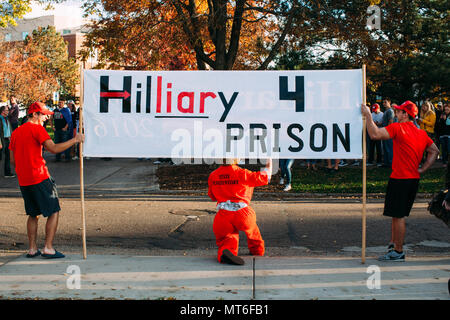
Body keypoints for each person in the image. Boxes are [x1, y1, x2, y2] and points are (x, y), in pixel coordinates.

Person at [361, 101, 439, 262]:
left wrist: (368, 115)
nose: (396, 114)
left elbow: (374, 134)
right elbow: (434, 151)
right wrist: (423, 169)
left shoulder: (398, 128)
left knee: (398, 216)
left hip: (400, 178)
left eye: (399, 112)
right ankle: (393, 244)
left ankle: (398, 251)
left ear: (406, 115)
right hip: (412, 179)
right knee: (397, 215)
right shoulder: (421, 133)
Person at [9, 101, 84, 259]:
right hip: (39, 176)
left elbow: (12, 160)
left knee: (32, 214)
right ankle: (48, 248)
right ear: (35, 114)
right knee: (54, 210)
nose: (45, 118)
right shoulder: (37, 129)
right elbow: (54, 148)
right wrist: (75, 140)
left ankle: (32, 248)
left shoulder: (16, 132)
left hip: (24, 180)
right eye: (43, 115)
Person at [208, 158, 272, 265]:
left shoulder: (213, 175)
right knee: (252, 232)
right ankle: (257, 251)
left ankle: (226, 252)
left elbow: (213, 196)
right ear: (236, 159)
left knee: (227, 237)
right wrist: (269, 162)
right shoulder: (243, 173)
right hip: (242, 212)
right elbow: (266, 177)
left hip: (223, 214)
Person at [0, 105, 14, 178]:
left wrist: (10, 137)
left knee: (8, 157)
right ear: (3, 111)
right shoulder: (0, 119)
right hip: (1, 140)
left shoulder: (6, 119)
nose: (8, 111)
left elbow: (9, 129)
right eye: (7, 110)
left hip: (7, 140)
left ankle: (7, 173)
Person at [380, 98, 394, 167]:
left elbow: (391, 121)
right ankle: (386, 162)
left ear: (389, 102)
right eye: (383, 102)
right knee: (385, 148)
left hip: (388, 132)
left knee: (389, 148)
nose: (384, 104)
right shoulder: (385, 111)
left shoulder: (390, 111)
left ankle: (390, 163)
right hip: (384, 131)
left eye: (385, 102)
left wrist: (388, 130)